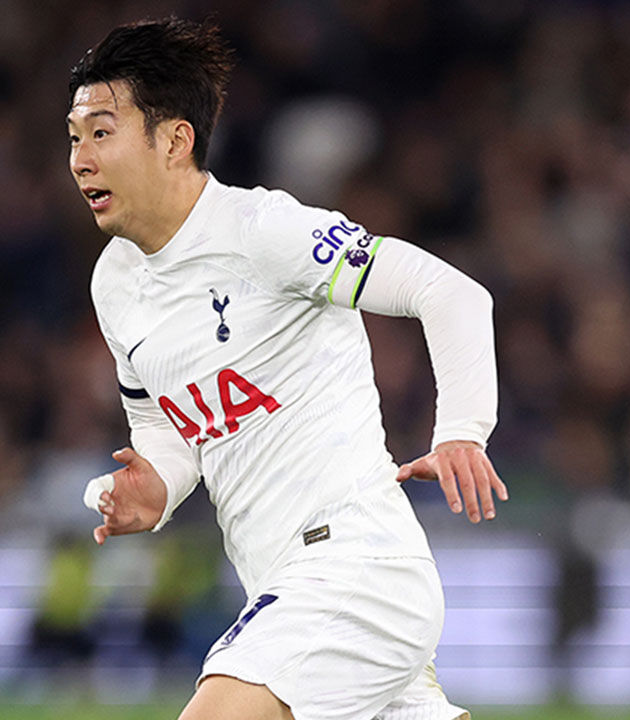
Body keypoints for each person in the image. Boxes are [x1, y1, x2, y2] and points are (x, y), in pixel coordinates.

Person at [70, 18, 505, 720]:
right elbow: (165, 424)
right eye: (74, 137)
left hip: (353, 569)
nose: (81, 159)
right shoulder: (115, 283)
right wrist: (159, 484)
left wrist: (462, 430)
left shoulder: (264, 232)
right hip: (287, 581)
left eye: (101, 133)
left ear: (174, 140)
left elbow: (450, 293)